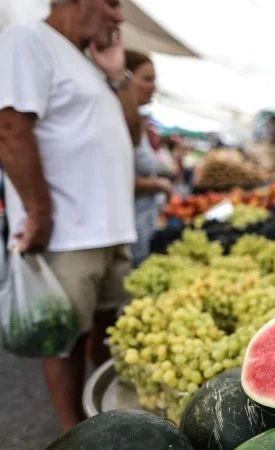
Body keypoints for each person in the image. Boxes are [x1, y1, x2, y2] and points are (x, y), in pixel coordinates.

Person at [0, 0, 137, 431]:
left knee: (106, 330)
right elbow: (9, 126)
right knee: (64, 340)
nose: (119, 17)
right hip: (68, 231)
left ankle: (106, 420)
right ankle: (73, 431)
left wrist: (118, 77)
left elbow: (132, 134)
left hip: (109, 227)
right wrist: (38, 210)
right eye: (112, 3)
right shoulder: (27, 39)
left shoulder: (87, 63)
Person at [125, 50, 173, 266]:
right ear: (124, 79)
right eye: (147, 79)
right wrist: (157, 184)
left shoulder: (138, 124)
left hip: (142, 226)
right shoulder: (118, 124)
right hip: (126, 231)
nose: (154, 87)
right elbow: (114, 179)